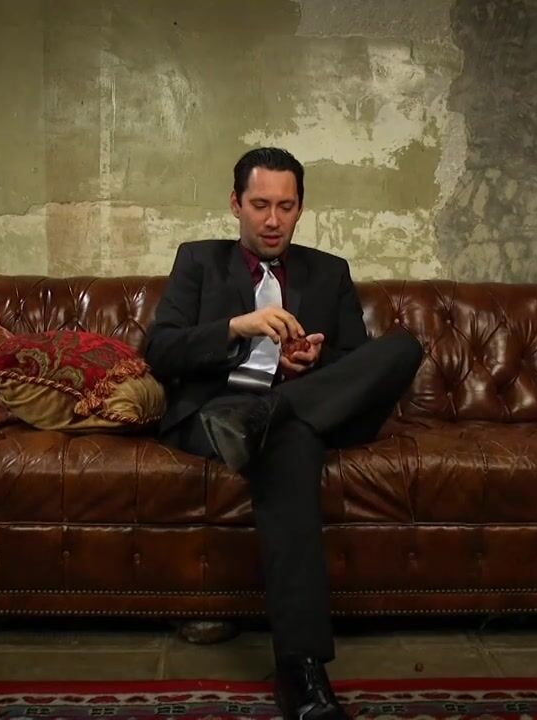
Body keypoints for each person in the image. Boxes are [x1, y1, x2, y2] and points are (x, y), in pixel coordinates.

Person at [143, 147, 424, 720]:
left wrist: (312, 361)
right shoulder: (198, 261)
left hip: (302, 404)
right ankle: (301, 669)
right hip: (221, 411)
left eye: (286, 207)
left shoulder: (330, 271)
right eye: (260, 205)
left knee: (402, 348)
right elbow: (160, 350)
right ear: (235, 204)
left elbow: (357, 365)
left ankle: (273, 412)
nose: (273, 220)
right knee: (291, 445)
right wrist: (236, 327)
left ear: (300, 208)